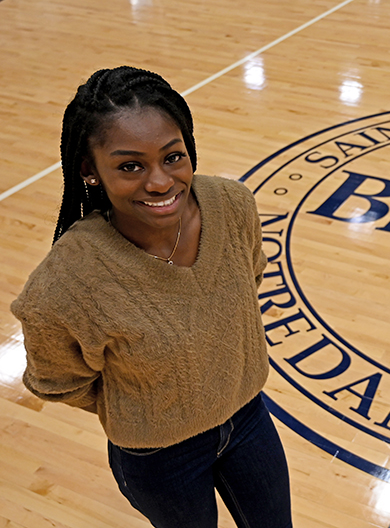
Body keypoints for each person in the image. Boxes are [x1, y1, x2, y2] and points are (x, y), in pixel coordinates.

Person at [10, 66, 292, 528]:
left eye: (173, 157)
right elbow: (57, 382)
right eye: (130, 166)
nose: (161, 182)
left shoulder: (232, 205)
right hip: (160, 456)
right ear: (90, 170)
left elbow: (250, 277)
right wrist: (148, 404)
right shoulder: (63, 285)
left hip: (248, 418)